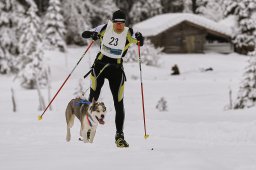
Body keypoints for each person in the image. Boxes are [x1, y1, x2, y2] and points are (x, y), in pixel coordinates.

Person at [81, 10, 144, 148]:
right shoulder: (104, 28)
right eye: (117, 22)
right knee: (93, 98)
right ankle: (88, 130)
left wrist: (140, 38)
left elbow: (140, 42)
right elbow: (84, 34)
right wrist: (92, 34)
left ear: (125, 23)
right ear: (113, 21)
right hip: (99, 67)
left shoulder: (129, 32)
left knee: (119, 103)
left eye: (122, 23)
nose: (119, 25)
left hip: (116, 70)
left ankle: (119, 136)